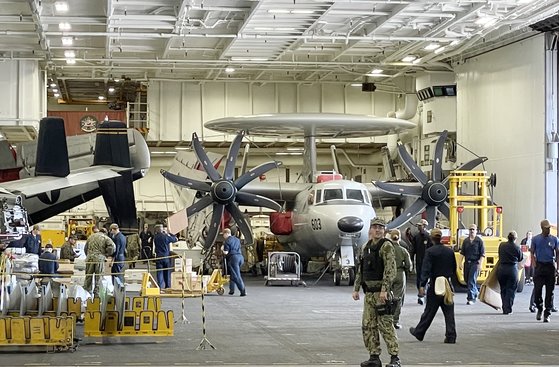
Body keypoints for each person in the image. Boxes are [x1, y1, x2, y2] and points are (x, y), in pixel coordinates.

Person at [352, 217, 400, 367]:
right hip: (370, 294)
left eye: (381, 227)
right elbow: (361, 269)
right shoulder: (365, 247)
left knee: (385, 326)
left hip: (381, 293)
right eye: (375, 227)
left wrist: (385, 290)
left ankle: (394, 358)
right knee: (368, 325)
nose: (378, 229)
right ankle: (374, 357)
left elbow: (390, 269)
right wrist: (356, 288)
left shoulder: (386, 246)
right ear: (370, 229)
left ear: (384, 230)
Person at [409, 228, 457, 344]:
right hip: (446, 283)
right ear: (441, 238)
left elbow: (425, 269)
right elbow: (454, 268)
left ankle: (419, 332)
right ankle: (451, 336)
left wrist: (422, 285)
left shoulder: (430, 252)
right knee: (449, 311)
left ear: (431, 238)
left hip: (435, 283)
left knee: (429, 311)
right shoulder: (449, 251)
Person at [531, 219, 559, 323]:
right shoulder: (536, 239)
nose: (548, 230)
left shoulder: (554, 239)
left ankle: (547, 313)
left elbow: (557, 253)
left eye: (549, 228)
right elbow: (532, 252)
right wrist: (534, 263)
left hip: (550, 266)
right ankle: (539, 307)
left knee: (550, 292)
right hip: (540, 266)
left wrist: (557, 267)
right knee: (537, 290)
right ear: (542, 228)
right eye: (546, 228)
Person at [389, 229, 412, 330]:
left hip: (388, 274)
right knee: (398, 298)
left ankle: (386, 320)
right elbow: (409, 266)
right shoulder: (403, 250)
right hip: (399, 274)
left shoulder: (386, 250)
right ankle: (395, 321)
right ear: (399, 237)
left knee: (386, 297)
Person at [497, 231, 523, 315]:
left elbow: (499, 254)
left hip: (501, 269)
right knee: (511, 290)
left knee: (503, 289)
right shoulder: (517, 247)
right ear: (515, 238)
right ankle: (508, 308)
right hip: (512, 270)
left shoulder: (501, 245)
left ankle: (504, 307)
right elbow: (520, 258)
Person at [84, 229, 116, 296]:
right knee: (98, 277)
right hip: (99, 259)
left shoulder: (91, 236)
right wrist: (107, 254)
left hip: (90, 259)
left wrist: (89, 255)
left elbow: (85, 248)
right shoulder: (105, 238)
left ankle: (87, 293)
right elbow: (112, 247)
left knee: (88, 276)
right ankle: (97, 294)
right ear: (105, 233)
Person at [459, 224, 485, 304]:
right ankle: (476, 292)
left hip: (475, 263)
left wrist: (480, 264)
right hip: (467, 263)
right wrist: (460, 263)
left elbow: (482, 254)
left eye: (473, 229)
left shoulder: (479, 241)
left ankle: (471, 298)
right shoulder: (466, 241)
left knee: (471, 281)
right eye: (470, 229)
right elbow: (462, 253)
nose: (472, 231)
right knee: (467, 279)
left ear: (476, 231)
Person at [410, 218, 432, 305]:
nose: (419, 227)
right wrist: (411, 259)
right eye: (418, 225)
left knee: (425, 278)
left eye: (420, 225)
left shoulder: (429, 237)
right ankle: (421, 294)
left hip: (427, 262)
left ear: (425, 226)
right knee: (419, 278)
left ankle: (422, 295)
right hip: (419, 261)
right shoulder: (416, 237)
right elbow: (413, 250)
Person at [222, 228, 246, 297]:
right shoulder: (237, 239)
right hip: (240, 257)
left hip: (233, 258)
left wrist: (222, 249)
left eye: (223, 235)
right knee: (233, 273)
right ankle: (231, 290)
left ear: (226, 234)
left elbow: (226, 252)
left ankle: (243, 290)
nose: (223, 236)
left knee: (236, 275)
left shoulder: (227, 241)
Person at [153, 224, 177, 289]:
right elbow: (175, 239)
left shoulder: (155, 237)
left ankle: (160, 287)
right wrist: (170, 233)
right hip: (165, 257)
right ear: (162, 229)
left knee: (159, 272)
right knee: (166, 272)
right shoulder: (165, 237)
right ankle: (167, 286)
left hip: (158, 257)